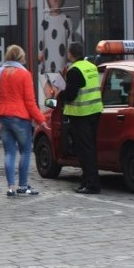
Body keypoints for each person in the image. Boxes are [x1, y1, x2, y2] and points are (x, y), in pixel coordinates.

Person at [0, 45, 46, 197]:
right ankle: (23, 185)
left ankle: (10, 187)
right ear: (21, 57)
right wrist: (41, 119)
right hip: (20, 118)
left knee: (9, 152)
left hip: (2, 116)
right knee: (26, 151)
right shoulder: (24, 74)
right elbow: (30, 102)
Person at [50, 42, 103, 194]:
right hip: (95, 111)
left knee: (84, 151)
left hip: (81, 114)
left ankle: (90, 184)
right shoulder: (91, 66)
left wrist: (60, 94)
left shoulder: (74, 70)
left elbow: (71, 95)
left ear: (71, 54)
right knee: (90, 149)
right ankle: (90, 182)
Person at [38, 0, 74, 82]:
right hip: (49, 77)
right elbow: (40, 54)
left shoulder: (67, 21)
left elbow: (70, 53)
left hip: (62, 77)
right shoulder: (44, 23)